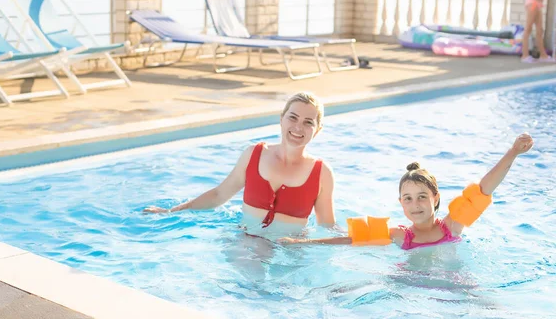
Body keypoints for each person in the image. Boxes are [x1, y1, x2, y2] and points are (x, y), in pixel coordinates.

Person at [279, 134, 534, 249]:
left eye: (423, 196)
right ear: (400, 203)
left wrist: (512, 153)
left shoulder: (452, 226)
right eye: (408, 199)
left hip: (454, 286)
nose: (416, 205)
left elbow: (483, 190)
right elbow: (350, 239)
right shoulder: (399, 236)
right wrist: (303, 242)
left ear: (435, 198)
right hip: (408, 287)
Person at [143, 92, 336, 235]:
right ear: (281, 119)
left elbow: (327, 227)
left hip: (293, 251)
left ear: (318, 130)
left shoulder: (322, 173)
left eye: (308, 122)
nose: (297, 127)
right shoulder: (254, 154)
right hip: (246, 240)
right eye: (292, 117)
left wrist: (355, 238)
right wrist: (171, 212)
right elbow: (219, 194)